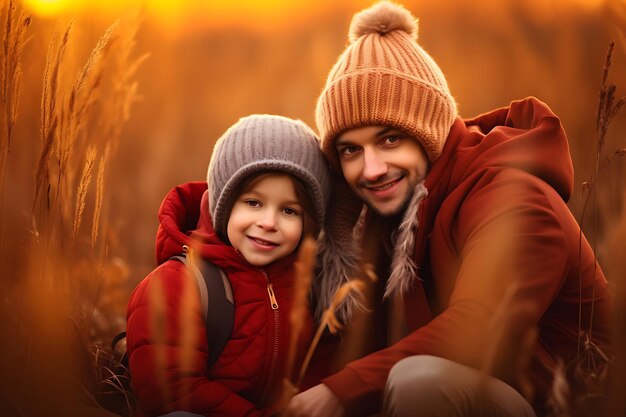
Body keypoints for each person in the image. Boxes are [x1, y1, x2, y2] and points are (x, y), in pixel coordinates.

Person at [285, 2, 612, 417]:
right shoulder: (391, 216)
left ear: (427, 131)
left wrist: (341, 391)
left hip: (564, 406)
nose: (370, 169)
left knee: (418, 381)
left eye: (389, 140)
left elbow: (479, 330)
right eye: (351, 149)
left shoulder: (513, 197)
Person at [126, 114, 331, 417]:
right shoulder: (178, 283)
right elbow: (171, 390)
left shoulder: (309, 285)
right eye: (253, 203)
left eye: (289, 210)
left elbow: (318, 371)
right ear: (222, 204)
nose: (269, 222)